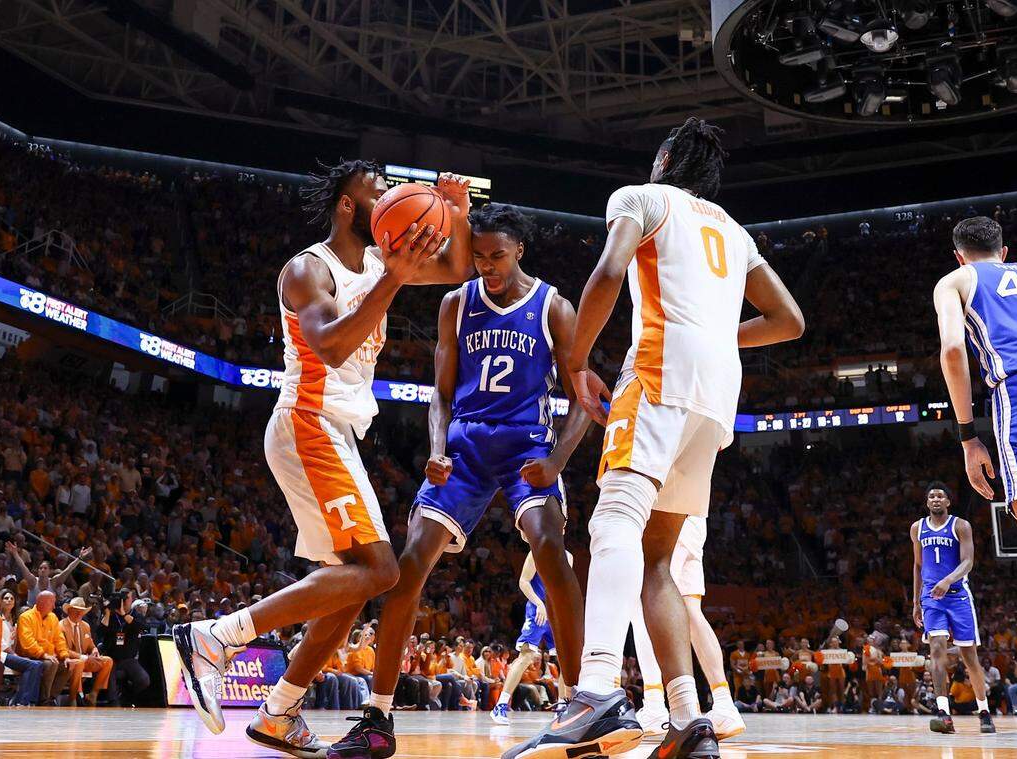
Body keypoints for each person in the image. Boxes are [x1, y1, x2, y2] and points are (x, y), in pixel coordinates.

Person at [506, 116, 803, 759]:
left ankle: (597, 691)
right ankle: (689, 722)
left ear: (666, 159)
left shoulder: (640, 198)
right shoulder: (735, 229)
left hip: (660, 370)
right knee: (659, 559)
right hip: (718, 394)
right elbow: (789, 320)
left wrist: (576, 361)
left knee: (613, 519)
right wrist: (720, 337)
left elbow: (610, 272)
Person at [173, 161, 473, 756]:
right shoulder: (309, 268)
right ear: (346, 204)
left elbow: (459, 268)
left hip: (337, 430)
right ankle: (216, 636)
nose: (388, 196)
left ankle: (279, 711)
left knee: (354, 585)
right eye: (376, 189)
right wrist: (394, 278)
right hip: (308, 422)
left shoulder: (374, 266)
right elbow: (331, 348)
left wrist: (458, 216)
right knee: (384, 570)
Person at [331, 203, 590, 756]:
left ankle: (576, 702)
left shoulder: (553, 306)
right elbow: (441, 394)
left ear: (519, 249)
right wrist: (437, 448)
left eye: (497, 256)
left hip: (526, 443)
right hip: (467, 446)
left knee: (550, 546)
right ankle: (377, 717)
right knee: (408, 565)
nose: (487, 266)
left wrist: (558, 461)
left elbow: (585, 399)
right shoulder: (456, 303)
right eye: (478, 257)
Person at [932, 216, 1017, 531]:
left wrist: (968, 439)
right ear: (1004, 252)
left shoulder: (955, 281)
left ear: (959, 257)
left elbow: (954, 349)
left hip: (1016, 389)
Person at [631, 517, 745, 740]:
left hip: (668, 515)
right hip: (693, 516)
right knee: (692, 612)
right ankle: (724, 705)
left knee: (647, 602)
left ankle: (654, 704)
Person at [911, 482, 996, 734]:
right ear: (927, 502)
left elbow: (968, 561)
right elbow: (917, 565)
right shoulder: (917, 528)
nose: (936, 499)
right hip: (930, 597)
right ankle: (943, 714)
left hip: (958, 595)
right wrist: (916, 601)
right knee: (936, 650)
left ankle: (984, 711)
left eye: (940, 496)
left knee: (969, 657)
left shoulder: (960, 526)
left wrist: (948, 581)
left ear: (948, 501)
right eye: (931, 496)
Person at [492, 551, 575, 726]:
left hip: (557, 612)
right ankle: (500, 705)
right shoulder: (537, 551)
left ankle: (561, 707)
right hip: (538, 610)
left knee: (564, 659)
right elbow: (523, 581)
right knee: (526, 656)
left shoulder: (568, 556)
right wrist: (539, 604)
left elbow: (564, 587)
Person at [17, 590, 74, 705]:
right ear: (41, 602)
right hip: (30, 656)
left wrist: (65, 656)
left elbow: (59, 639)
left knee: (68, 666)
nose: (54, 606)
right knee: (52, 664)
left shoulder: (53, 617)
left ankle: (51, 697)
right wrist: (43, 654)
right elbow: (28, 642)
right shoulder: (26, 617)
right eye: (52, 602)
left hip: (48, 656)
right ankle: (44, 700)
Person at [100, 589, 151, 706]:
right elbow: (100, 632)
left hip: (128, 658)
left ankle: (127, 697)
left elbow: (142, 627)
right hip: (111, 657)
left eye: (126, 598)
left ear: (131, 599)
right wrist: (107, 614)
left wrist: (124, 615)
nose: (123, 601)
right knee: (110, 669)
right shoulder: (111, 615)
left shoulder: (135, 614)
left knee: (143, 680)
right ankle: (114, 702)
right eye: (122, 598)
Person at [60, 596, 114, 706]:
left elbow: (91, 645)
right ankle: (73, 698)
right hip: (69, 661)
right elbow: (63, 649)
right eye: (76, 611)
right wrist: (84, 657)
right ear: (69, 611)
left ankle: (93, 693)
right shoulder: (61, 626)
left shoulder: (85, 626)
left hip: (86, 660)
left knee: (107, 661)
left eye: (81, 611)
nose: (79, 614)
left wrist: (94, 650)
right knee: (79, 663)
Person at [0, 590, 45, 706]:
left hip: (9, 654)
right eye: (6, 598)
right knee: (34, 665)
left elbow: (13, 644)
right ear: (1, 601)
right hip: (0, 654)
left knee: (38, 664)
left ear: (14, 603)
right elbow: (1, 643)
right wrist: (15, 655)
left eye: (11, 599)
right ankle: (21, 700)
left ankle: (27, 700)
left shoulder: (14, 620)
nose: (9, 600)